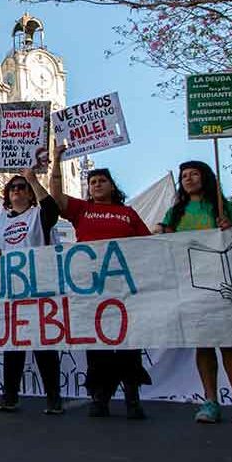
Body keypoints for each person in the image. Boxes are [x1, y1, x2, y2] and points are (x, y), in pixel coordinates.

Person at [48, 145, 151, 420]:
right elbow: (55, 196)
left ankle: (132, 397)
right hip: (91, 286)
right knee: (97, 343)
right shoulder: (82, 210)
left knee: (128, 342)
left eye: (101, 181)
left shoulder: (127, 213)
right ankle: (100, 396)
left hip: (123, 287)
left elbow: (147, 245)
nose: (96, 185)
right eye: (92, 182)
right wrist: (56, 161)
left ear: (112, 186)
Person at [158, 160, 232, 426]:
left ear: (206, 177)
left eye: (194, 174)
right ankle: (210, 400)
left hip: (224, 281)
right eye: (184, 176)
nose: (188, 179)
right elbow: (166, 243)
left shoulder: (224, 207)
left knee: (229, 342)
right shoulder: (174, 213)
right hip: (192, 284)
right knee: (203, 343)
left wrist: (229, 229)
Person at [0, 167, 63, 415]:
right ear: (7, 195)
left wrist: (32, 178)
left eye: (22, 187)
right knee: (13, 345)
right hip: (11, 292)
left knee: (44, 346)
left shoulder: (39, 215)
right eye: (13, 188)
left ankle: (53, 397)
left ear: (31, 195)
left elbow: (53, 209)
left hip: (39, 289)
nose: (17, 190)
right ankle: (10, 396)